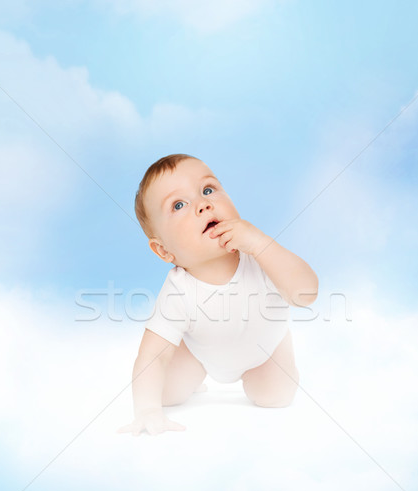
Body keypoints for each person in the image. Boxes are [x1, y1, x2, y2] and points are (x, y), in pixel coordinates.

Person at [118, 153, 318, 436]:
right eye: (178, 205)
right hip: (201, 353)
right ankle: (194, 368)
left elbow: (306, 294)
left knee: (275, 397)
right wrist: (148, 411)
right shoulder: (179, 290)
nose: (203, 204)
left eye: (208, 190)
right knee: (165, 395)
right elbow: (151, 357)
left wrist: (260, 243)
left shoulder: (260, 257)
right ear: (164, 251)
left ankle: (282, 349)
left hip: (265, 349)